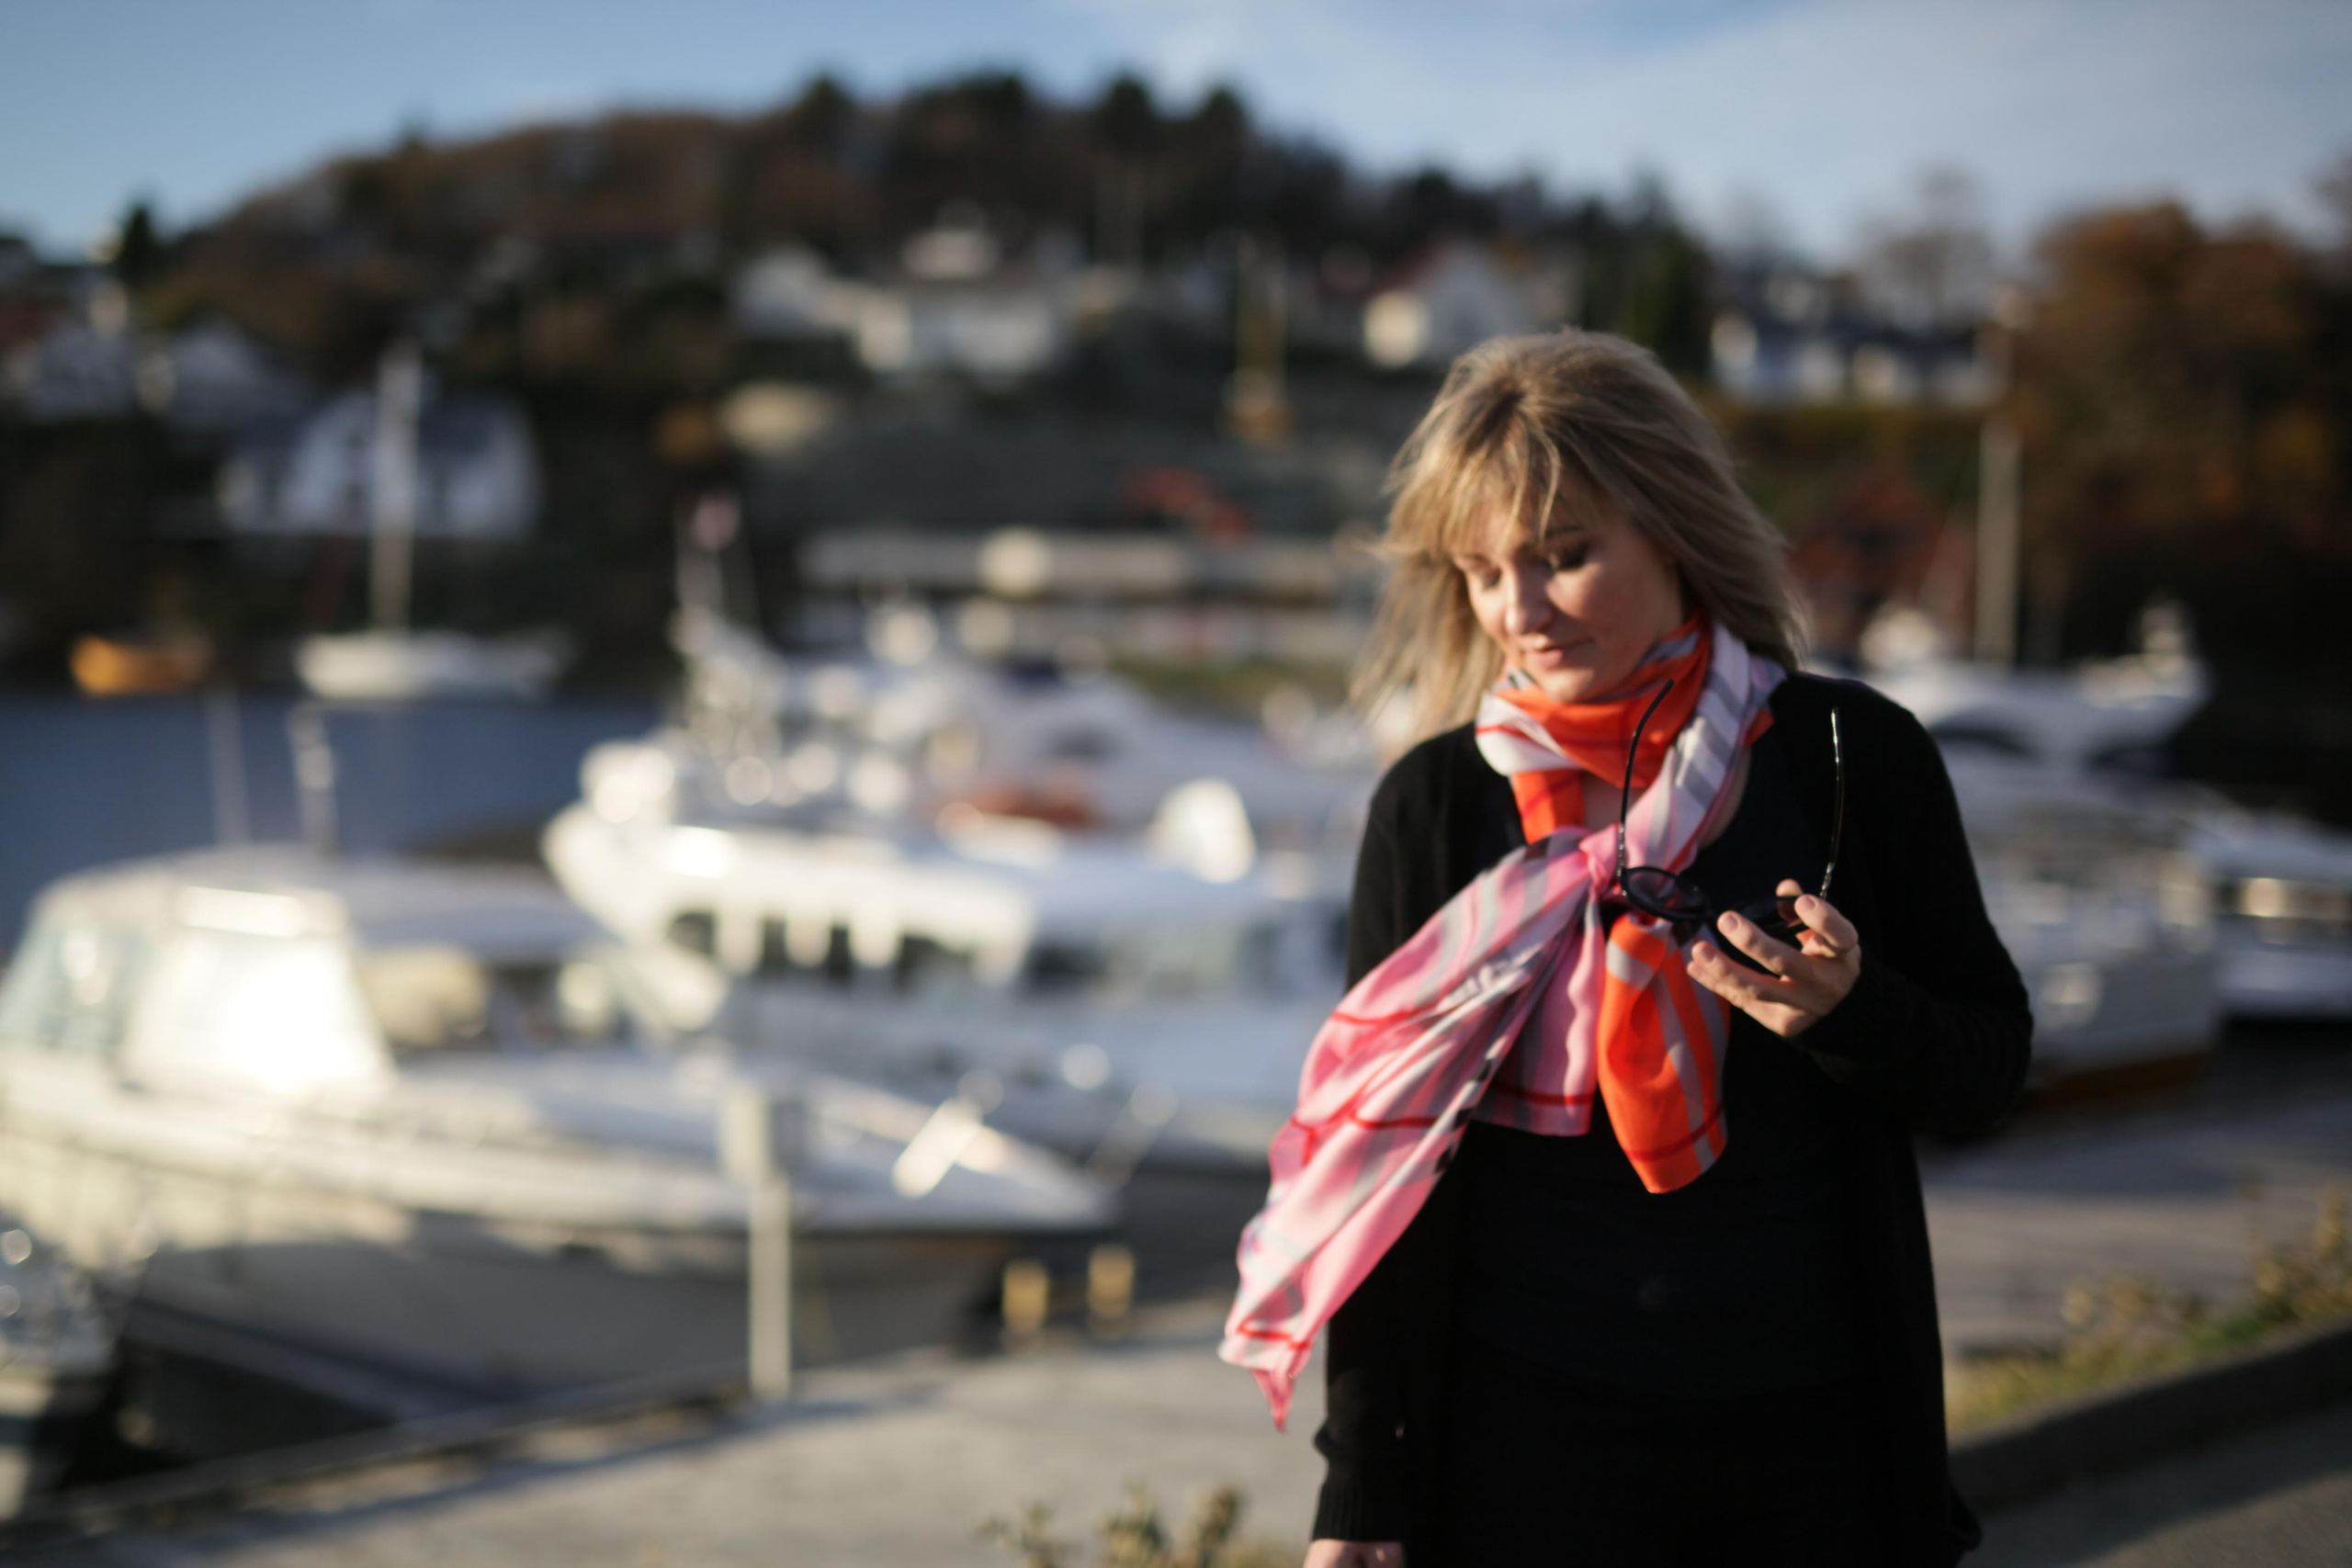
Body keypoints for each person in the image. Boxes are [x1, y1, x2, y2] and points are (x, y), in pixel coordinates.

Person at [1217, 331, 2031, 1566]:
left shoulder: (1850, 759)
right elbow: (1384, 1174)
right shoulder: (1437, 806)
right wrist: (1361, 1492)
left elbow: (1991, 1075)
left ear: (1672, 526)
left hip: (1814, 1446)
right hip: (1521, 1450)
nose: (1520, 612)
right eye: (1483, 572)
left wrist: (1851, 1013)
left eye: (1564, 558)